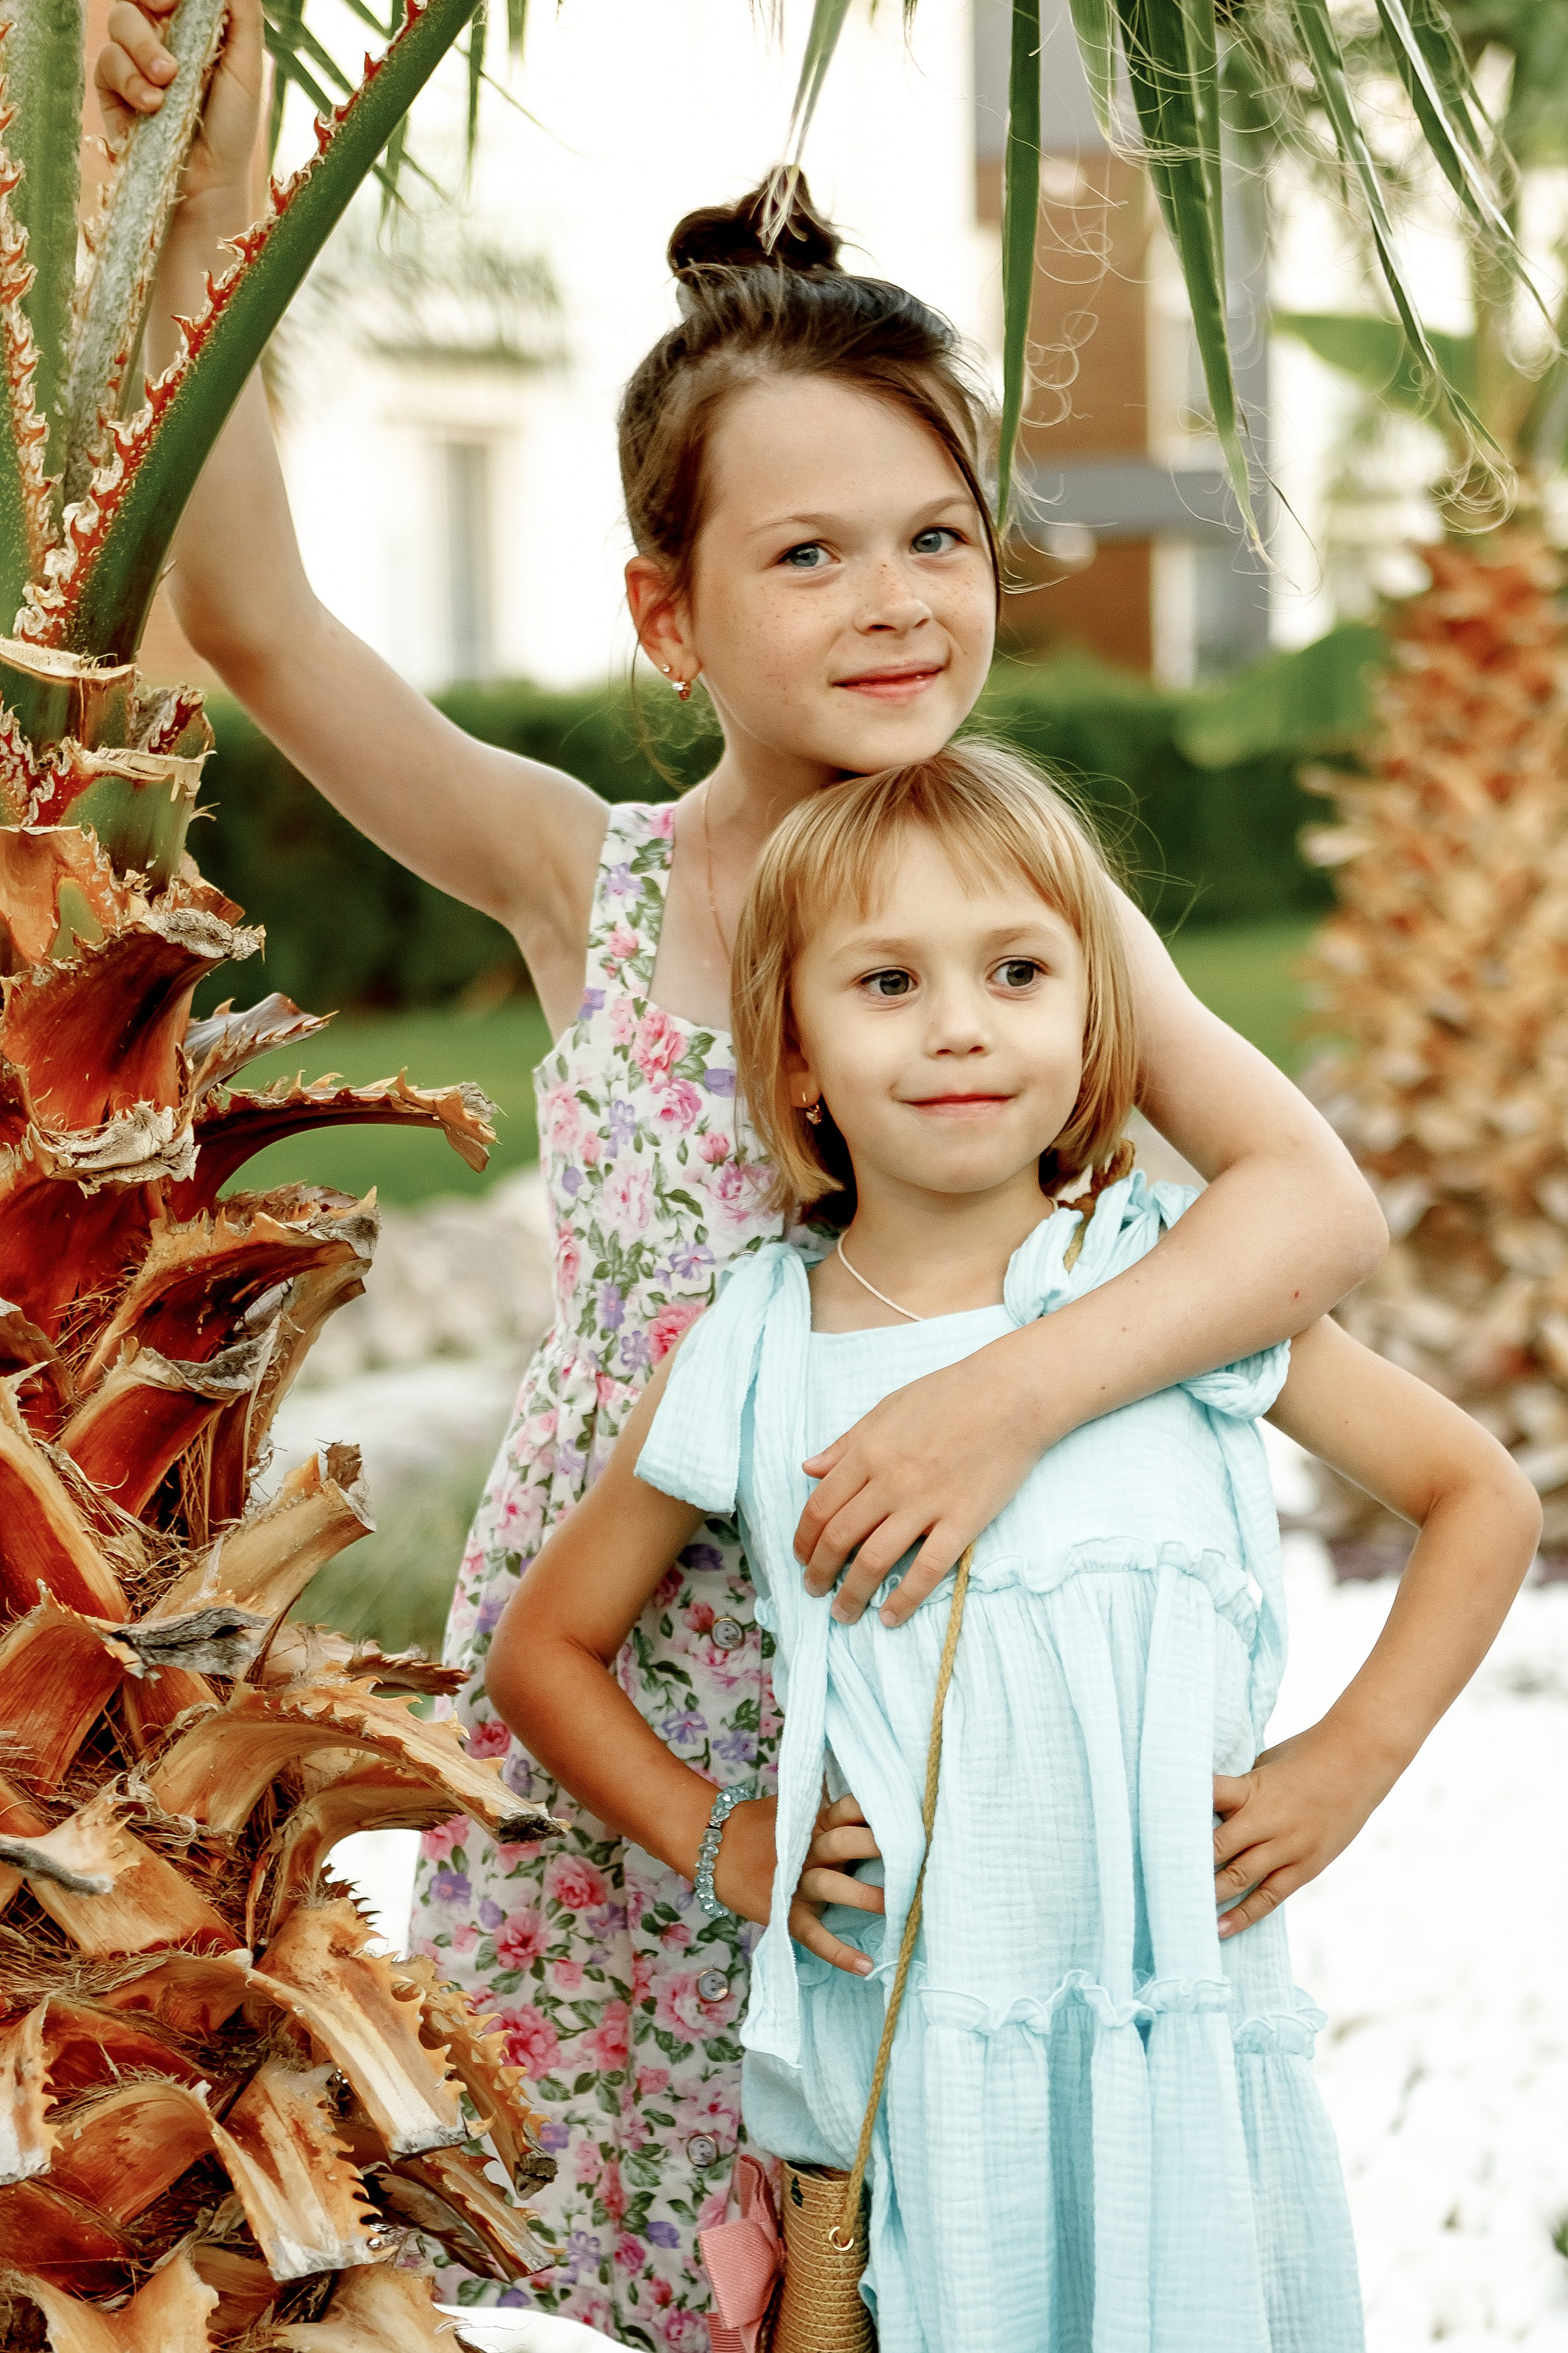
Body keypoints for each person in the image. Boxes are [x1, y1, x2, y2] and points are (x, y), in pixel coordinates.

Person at [99, 5, 1388, 2332]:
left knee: (929, 2255)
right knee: (652, 2269)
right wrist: (195, 178)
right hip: (625, 1738)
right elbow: (265, 619)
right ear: (664, 617)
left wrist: (1002, 1398)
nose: (898, 598)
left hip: (922, 1716)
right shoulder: (565, 871)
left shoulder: (1025, 924)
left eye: (938, 535)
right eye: (809, 553)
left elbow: (1307, 1200)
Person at [489, 744, 1539, 2353]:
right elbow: (543, 1647)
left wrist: (1343, 1765)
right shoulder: (756, 1342)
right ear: (796, 1064)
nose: (960, 1022)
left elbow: (1478, 1495)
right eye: (888, 980)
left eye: (1016, 971)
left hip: (1167, 2024)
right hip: (909, 2061)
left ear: (1089, 1025)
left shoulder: (1170, 1293)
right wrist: (726, 1841)